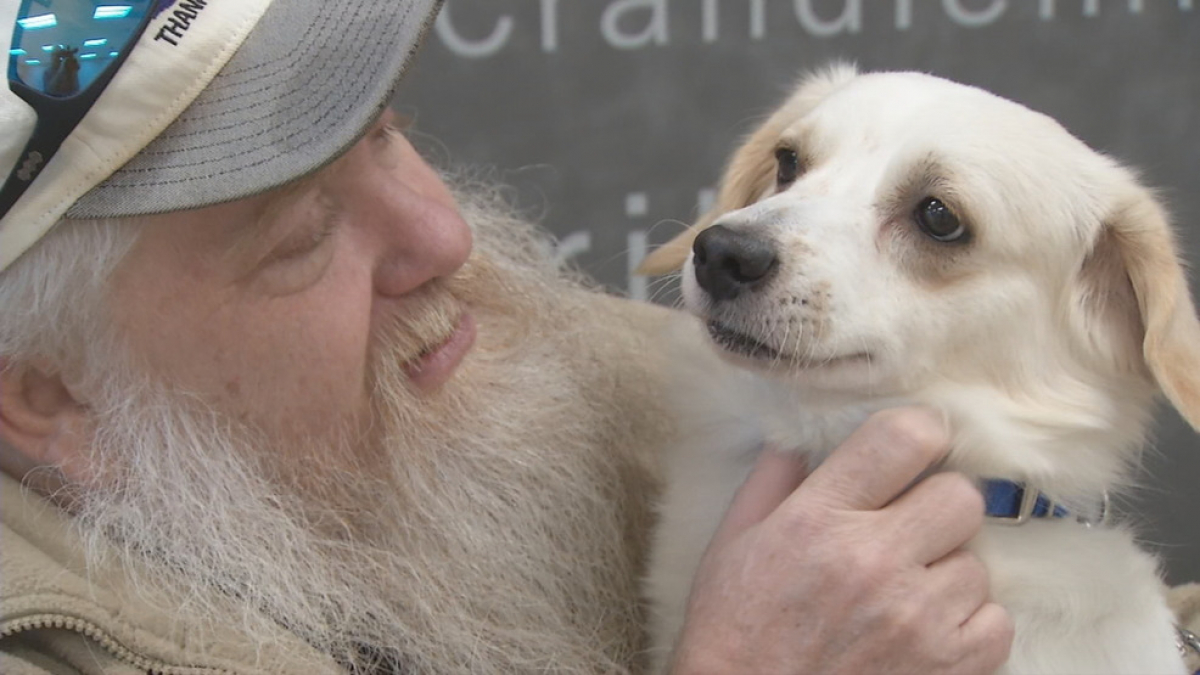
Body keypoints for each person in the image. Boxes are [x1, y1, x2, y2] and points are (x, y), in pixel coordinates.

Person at [0, 1, 1016, 673]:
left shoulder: (539, 365)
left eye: (389, 138)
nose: (440, 237)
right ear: (48, 395)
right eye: (300, 237)